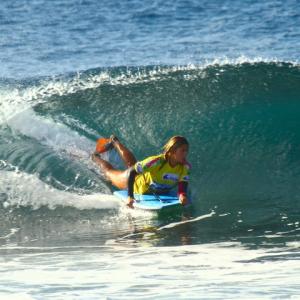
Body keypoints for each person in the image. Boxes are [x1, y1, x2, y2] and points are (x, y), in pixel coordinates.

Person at [92, 135, 191, 208]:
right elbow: (132, 173)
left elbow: (182, 185)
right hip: (133, 182)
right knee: (110, 173)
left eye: (187, 150)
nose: (186, 153)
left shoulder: (184, 167)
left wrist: (182, 195)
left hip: (148, 185)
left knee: (132, 164)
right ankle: (95, 157)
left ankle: (115, 141)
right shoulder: (156, 162)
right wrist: (130, 196)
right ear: (172, 151)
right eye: (183, 150)